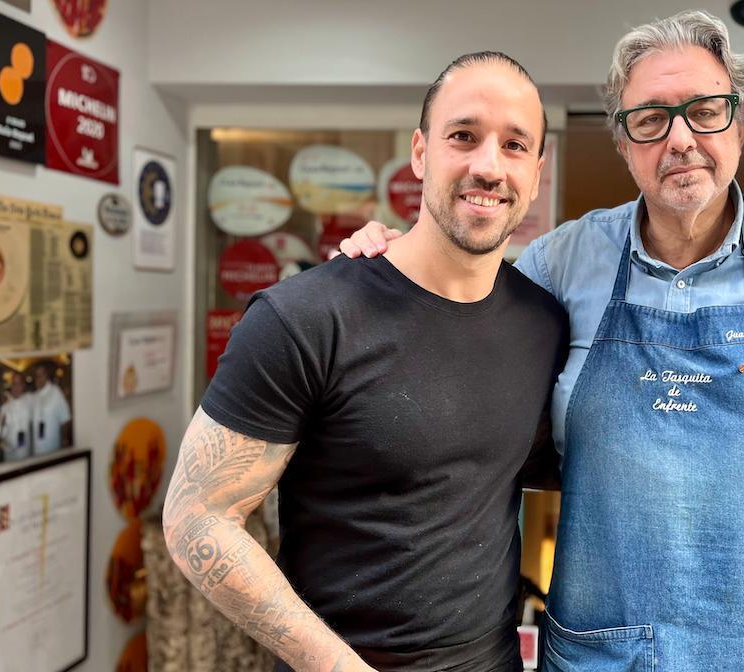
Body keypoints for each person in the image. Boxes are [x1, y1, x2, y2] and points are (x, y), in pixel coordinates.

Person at [340, 11, 744, 672]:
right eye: (650, 120)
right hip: (604, 648)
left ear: (740, 124)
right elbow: (462, 313)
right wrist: (393, 257)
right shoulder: (564, 262)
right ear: (624, 144)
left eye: (704, 111)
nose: (680, 139)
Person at [162, 51, 568, 672]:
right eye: (463, 136)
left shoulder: (542, 323)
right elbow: (197, 519)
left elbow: (526, 465)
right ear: (420, 153)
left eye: (515, 145)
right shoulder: (305, 318)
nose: (488, 165)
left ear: (536, 173)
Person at [29, 361, 72, 455]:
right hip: (37, 449)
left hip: (52, 447)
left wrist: (65, 441)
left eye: (42, 374)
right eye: (37, 375)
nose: (39, 378)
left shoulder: (55, 392)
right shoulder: (34, 396)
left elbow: (65, 418)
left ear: (47, 375)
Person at [0, 371, 32, 462]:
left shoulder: (29, 401)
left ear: (23, 386)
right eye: (14, 384)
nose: (16, 387)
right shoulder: (5, 406)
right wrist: (1, 424)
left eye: (19, 384)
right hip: (9, 454)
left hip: (25, 454)